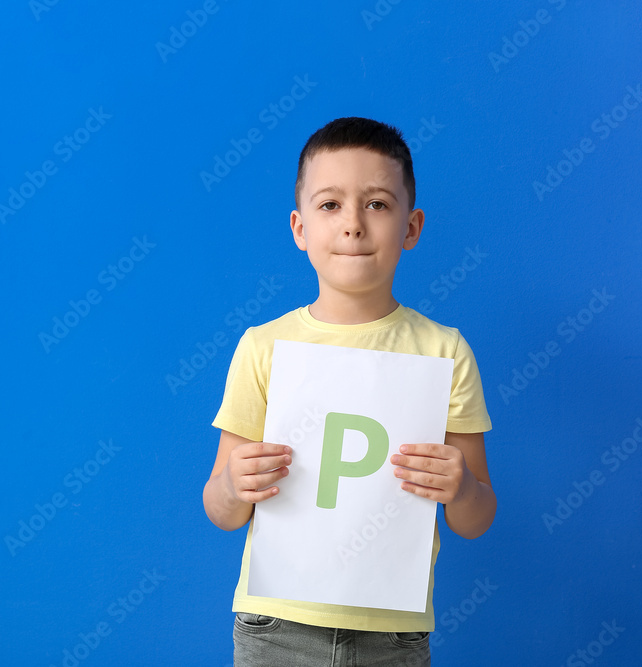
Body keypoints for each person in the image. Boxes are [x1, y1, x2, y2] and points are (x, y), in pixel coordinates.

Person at [202, 116, 496, 666]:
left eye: (378, 204)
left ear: (412, 227)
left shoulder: (445, 352)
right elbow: (221, 509)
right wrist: (234, 485)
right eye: (330, 205)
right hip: (276, 629)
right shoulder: (263, 347)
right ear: (299, 228)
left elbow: (476, 518)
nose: (353, 225)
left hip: (394, 636)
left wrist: (461, 488)